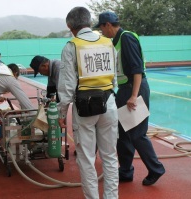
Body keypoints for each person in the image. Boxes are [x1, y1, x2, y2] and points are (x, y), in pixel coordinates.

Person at [94, 11, 165, 186]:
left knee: (137, 134)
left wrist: (134, 96)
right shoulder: (116, 41)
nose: (102, 33)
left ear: (108, 25)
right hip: (125, 90)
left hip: (135, 89)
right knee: (122, 133)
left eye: (102, 29)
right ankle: (125, 171)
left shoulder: (126, 38)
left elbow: (137, 69)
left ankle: (156, 169)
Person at [57, 7, 119, 199]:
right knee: (110, 157)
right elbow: (114, 77)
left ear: (70, 26)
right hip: (109, 102)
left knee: (86, 159)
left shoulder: (71, 46)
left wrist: (61, 114)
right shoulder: (108, 42)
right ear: (89, 21)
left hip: (85, 108)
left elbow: (67, 86)